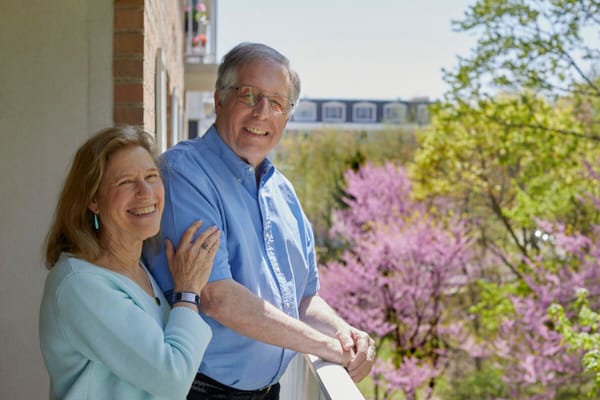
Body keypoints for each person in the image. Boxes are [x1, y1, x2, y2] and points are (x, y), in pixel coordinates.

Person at [143, 42, 376, 399]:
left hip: (268, 392)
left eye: (277, 102)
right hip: (202, 391)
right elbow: (217, 297)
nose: (262, 112)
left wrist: (345, 333)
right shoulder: (183, 174)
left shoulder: (282, 192)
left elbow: (304, 299)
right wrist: (325, 346)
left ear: (287, 116)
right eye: (248, 95)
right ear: (219, 100)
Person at [39, 126, 221, 400]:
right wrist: (187, 292)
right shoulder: (80, 285)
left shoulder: (138, 268)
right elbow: (172, 377)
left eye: (151, 176)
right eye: (125, 182)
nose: (145, 191)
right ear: (93, 200)